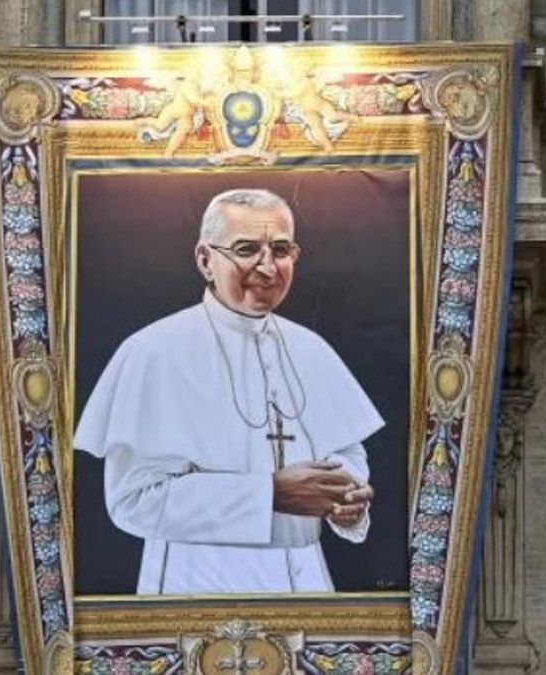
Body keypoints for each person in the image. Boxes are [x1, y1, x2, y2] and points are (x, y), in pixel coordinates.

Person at [75, 188, 383, 595]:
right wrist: (269, 494)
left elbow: (348, 456)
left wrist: (346, 501)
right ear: (206, 260)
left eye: (281, 250)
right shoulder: (153, 351)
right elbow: (132, 501)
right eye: (246, 249)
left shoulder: (311, 349)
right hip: (193, 582)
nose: (268, 268)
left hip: (306, 582)